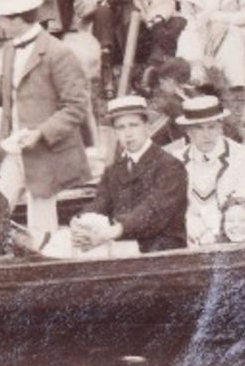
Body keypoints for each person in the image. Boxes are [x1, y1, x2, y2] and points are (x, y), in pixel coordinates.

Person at [0, 0, 91, 243]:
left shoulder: (57, 53)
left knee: (42, 219)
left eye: (1, 18)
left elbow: (76, 106)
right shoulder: (10, 50)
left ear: (18, 18)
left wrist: (40, 133)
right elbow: (5, 96)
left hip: (45, 153)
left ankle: (43, 269)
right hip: (14, 149)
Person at [71, 96, 188, 254]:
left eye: (133, 125)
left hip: (162, 252)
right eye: (121, 127)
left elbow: (153, 211)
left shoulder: (170, 166)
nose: (128, 133)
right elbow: (101, 203)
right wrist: (80, 221)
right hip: (123, 246)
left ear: (147, 127)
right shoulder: (114, 169)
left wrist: (112, 232)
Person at [165, 95, 245, 246]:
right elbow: (168, 208)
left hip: (235, 239)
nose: (206, 135)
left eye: (211, 127)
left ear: (220, 127)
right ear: (188, 132)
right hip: (188, 240)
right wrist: (189, 225)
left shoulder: (244, 157)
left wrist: (214, 232)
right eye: (199, 128)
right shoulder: (173, 162)